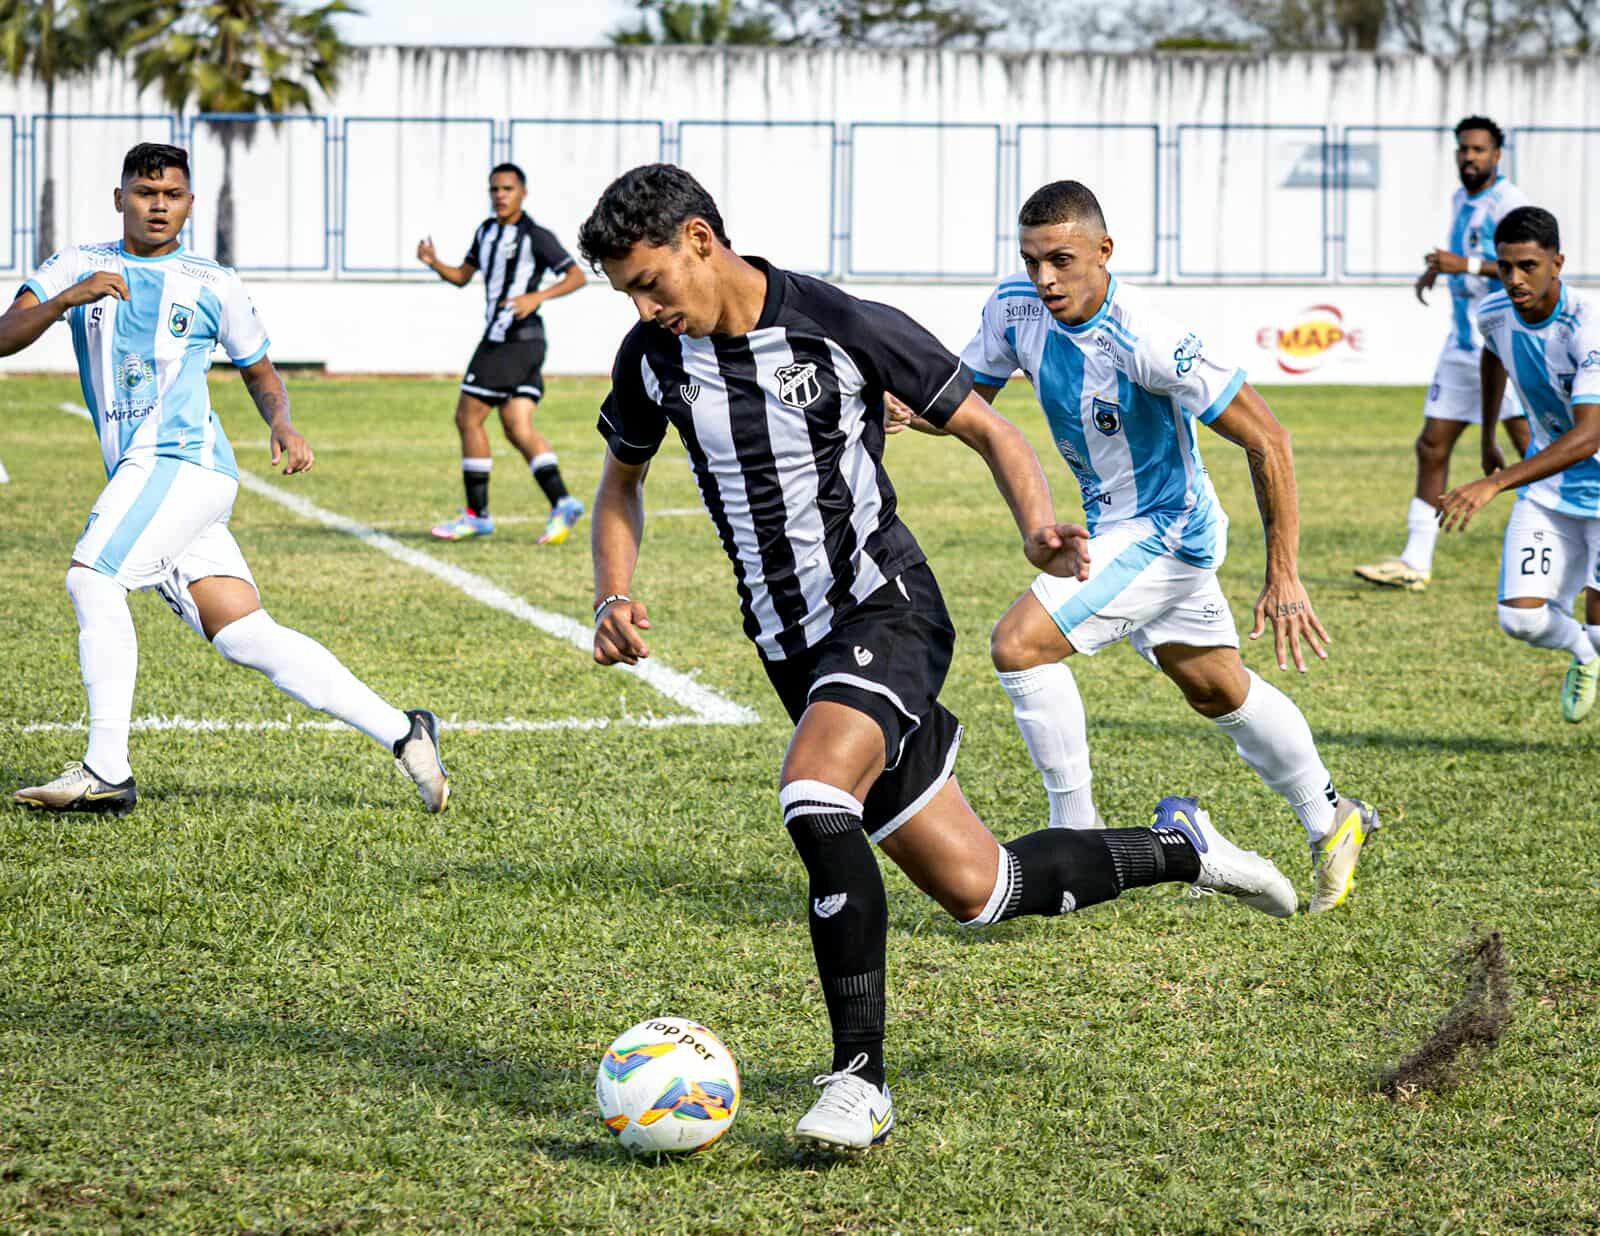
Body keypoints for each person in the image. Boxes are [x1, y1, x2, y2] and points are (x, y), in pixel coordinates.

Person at [579, 164, 1297, 1154]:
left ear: (701, 240)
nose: (645, 307)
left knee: (813, 793)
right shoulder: (653, 359)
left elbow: (986, 426)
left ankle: (858, 1082)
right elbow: (619, 484)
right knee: (982, 887)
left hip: (887, 608)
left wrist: (1039, 524)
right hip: (791, 648)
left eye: (652, 281)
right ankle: (1185, 848)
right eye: (627, 293)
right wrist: (612, 593)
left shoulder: (838, 323)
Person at [955, 180, 1377, 915]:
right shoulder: (1013, 310)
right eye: (1031, 261)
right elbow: (964, 397)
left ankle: (1075, 834)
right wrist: (889, 399)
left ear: (1103, 252)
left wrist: (1285, 575)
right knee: (1215, 686)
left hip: (1163, 530)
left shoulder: (1146, 336)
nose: (1045, 279)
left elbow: (1268, 437)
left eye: (1061, 259)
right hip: (1128, 530)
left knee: (1020, 646)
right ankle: (1328, 815)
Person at [3, 142, 448, 816]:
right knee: (246, 635)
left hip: (181, 462)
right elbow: (5, 335)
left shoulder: (213, 281)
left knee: (91, 577)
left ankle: (106, 770)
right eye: (144, 191)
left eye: (172, 194)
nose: (158, 205)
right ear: (120, 196)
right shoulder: (77, 264)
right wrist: (68, 298)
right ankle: (403, 731)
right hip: (157, 475)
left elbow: (259, 368)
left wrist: (284, 423)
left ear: (188, 202)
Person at [1438, 206, 1600, 722]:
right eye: (1505, 266)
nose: (1514, 278)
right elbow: (1493, 353)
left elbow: (1590, 433)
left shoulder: (1588, 324)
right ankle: (1583, 653)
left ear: (1557, 262)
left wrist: (1495, 484)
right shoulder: (1494, 312)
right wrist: (1490, 435)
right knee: (1520, 620)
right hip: (1550, 486)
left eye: (1527, 266)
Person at [1355, 116, 1531, 591]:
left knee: (1530, 449)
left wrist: (1465, 265)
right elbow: (1465, 265)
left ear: (1497, 155)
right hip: (1460, 344)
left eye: (1478, 149)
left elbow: (1527, 268)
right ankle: (1415, 560)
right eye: (1462, 149)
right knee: (1432, 445)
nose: (1468, 157)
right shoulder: (1462, 199)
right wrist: (1441, 272)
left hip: (1501, 344)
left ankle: (1571, 545)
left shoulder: (1509, 203)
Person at [417, 162, 587, 544]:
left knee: (467, 416)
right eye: (494, 189)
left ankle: (477, 515)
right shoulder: (486, 231)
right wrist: (433, 262)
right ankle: (562, 502)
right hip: (511, 341)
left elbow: (576, 275)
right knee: (517, 426)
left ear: (522, 193)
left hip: (512, 340)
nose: (500, 195)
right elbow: (462, 277)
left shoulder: (535, 236)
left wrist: (536, 296)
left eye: (507, 189)